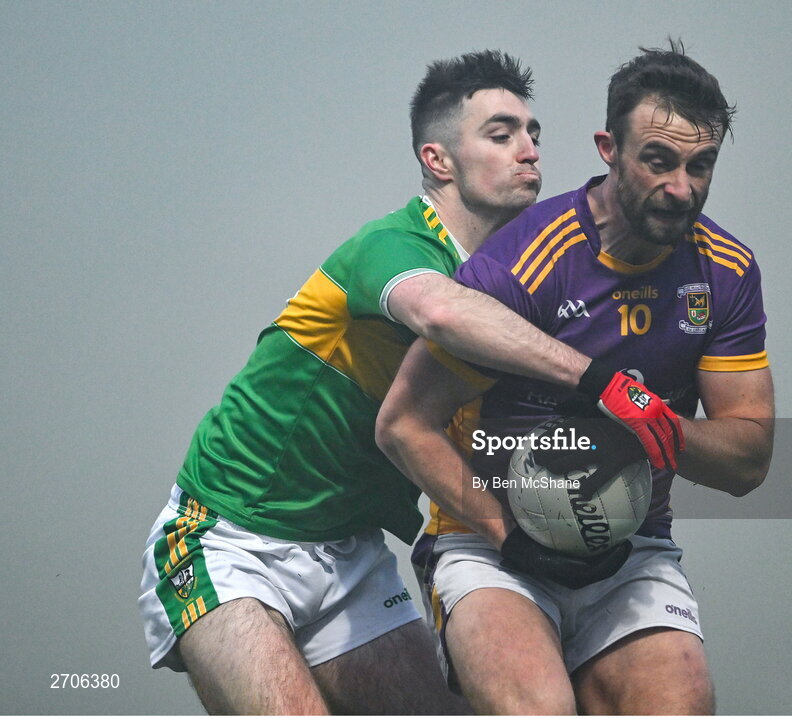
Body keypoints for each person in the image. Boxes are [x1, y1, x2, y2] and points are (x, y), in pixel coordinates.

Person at [138, 49, 581, 714]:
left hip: (350, 554)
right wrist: (594, 377)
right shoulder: (393, 244)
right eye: (501, 134)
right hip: (228, 538)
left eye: (532, 133)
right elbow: (438, 312)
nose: (528, 150)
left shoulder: (514, 278)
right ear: (438, 161)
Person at [376, 41, 775, 715]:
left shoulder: (725, 271)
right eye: (658, 159)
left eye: (700, 165)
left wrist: (652, 421)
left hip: (632, 548)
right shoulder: (522, 263)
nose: (682, 187)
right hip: (491, 546)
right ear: (608, 148)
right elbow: (402, 426)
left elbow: (746, 460)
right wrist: (512, 539)